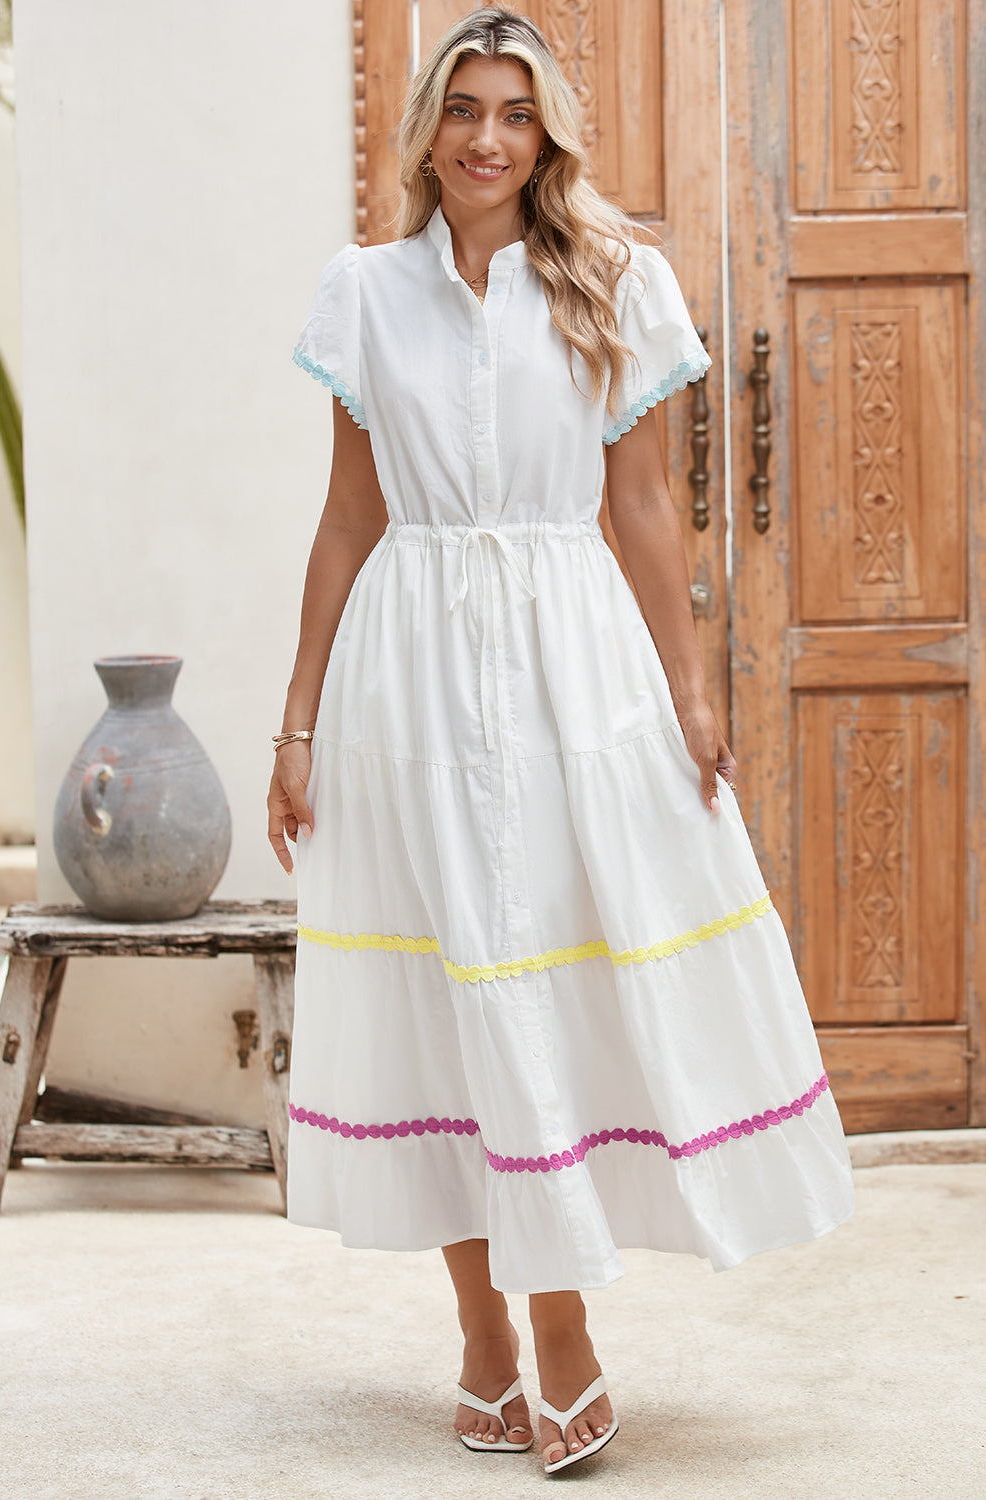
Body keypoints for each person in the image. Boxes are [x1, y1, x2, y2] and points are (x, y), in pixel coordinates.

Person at [268, 7, 854, 1476]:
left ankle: (567, 1325)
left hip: (566, 663)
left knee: (541, 981)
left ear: (547, 136)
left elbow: (646, 505)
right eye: (461, 108)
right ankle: (484, 1333)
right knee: (451, 998)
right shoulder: (365, 293)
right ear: (425, 130)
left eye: (514, 115)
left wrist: (695, 688)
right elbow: (348, 516)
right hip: (407, 671)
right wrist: (296, 719)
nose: (483, 137)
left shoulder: (613, 280)